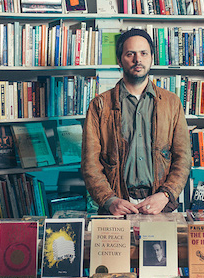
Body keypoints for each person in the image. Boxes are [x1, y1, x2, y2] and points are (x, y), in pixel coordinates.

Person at [82, 28, 191, 215]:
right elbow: (90, 163)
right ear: (119, 60)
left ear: (151, 58)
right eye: (130, 54)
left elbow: (183, 158)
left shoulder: (171, 103)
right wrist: (109, 200)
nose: (137, 59)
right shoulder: (99, 105)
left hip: (160, 203)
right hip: (118, 204)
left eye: (143, 53)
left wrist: (166, 195)